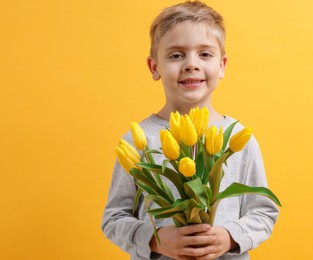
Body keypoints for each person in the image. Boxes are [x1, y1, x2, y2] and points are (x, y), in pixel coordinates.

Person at [101, 1, 279, 259]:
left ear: (222, 65)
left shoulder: (238, 138)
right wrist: (155, 240)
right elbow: (114, 217)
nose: (191, 64)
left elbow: (264, 212)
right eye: (176, 55)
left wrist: (230, 236)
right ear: (154, 67)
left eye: (205, 54)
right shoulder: (137, 141)